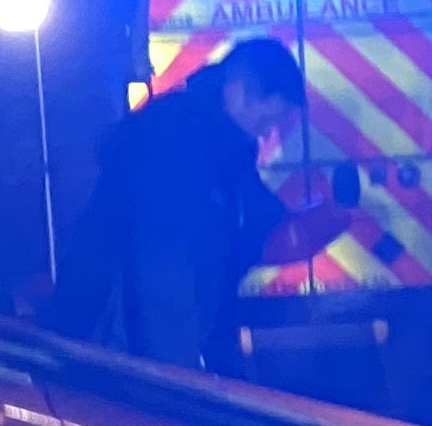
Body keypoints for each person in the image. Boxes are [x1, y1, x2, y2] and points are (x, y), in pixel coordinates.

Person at [47, 37, 305, 374]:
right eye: (266, 119)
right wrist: (179, 377)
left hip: (132, 349)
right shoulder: (176, 143)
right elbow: (162, 265)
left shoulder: (221, 150)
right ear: (240, 91)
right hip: (113, 351)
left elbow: (250, 224)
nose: (268, 132)